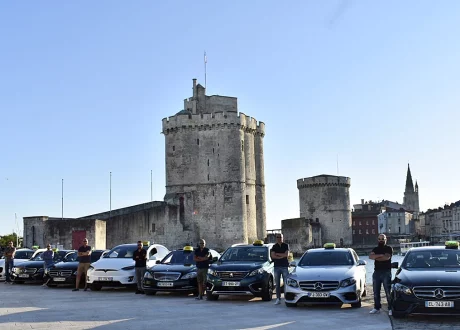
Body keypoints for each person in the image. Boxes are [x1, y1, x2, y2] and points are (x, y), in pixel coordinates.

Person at [369, 234, 393, 315]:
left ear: (386, 239)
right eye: (379, 239)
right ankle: (377, 308)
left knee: (388, 292)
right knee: (376, 292)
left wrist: (376, 257)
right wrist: (381, 255)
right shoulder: (375, 249)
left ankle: (390, 308)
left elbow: (386, 258)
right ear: (377, 240)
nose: (381, 240)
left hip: (386, 272)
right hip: (376, 273)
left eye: (383, 239)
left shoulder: (389, 248)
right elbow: (371, 257)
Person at [270, 233, 290, 305]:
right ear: (276, 238)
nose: (279, 238)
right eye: (278, 237)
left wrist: (277, 254)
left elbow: (286, 255)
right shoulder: (274, 246)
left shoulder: (286, 245)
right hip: (277, 267)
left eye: (280, 237)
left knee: (286, 283)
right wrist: (282, 256)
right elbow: (273, 256)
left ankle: (286, 298)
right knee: (277, 284)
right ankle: (278, 298)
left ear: (282, 238)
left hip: (284, 266)